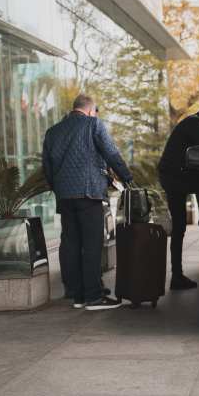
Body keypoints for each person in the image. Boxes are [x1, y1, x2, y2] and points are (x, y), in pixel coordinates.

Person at [43, 94, 133, 310]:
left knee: (71, 243)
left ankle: (76, 293)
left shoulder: (53, 131)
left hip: (65, 196)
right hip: (88, 192)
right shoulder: (93, 125)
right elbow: (111, 153)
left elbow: (46, 167)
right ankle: (93, 296)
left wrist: (58, 188)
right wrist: (126, 176)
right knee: (92, 244)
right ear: (91, 110)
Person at [158, 110, 199, 290]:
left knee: (184, 224)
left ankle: (180, 273)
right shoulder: (195, 125)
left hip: (180, 177)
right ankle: (177, 276)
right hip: (175, 179)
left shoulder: (195, 124)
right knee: (179, 227)